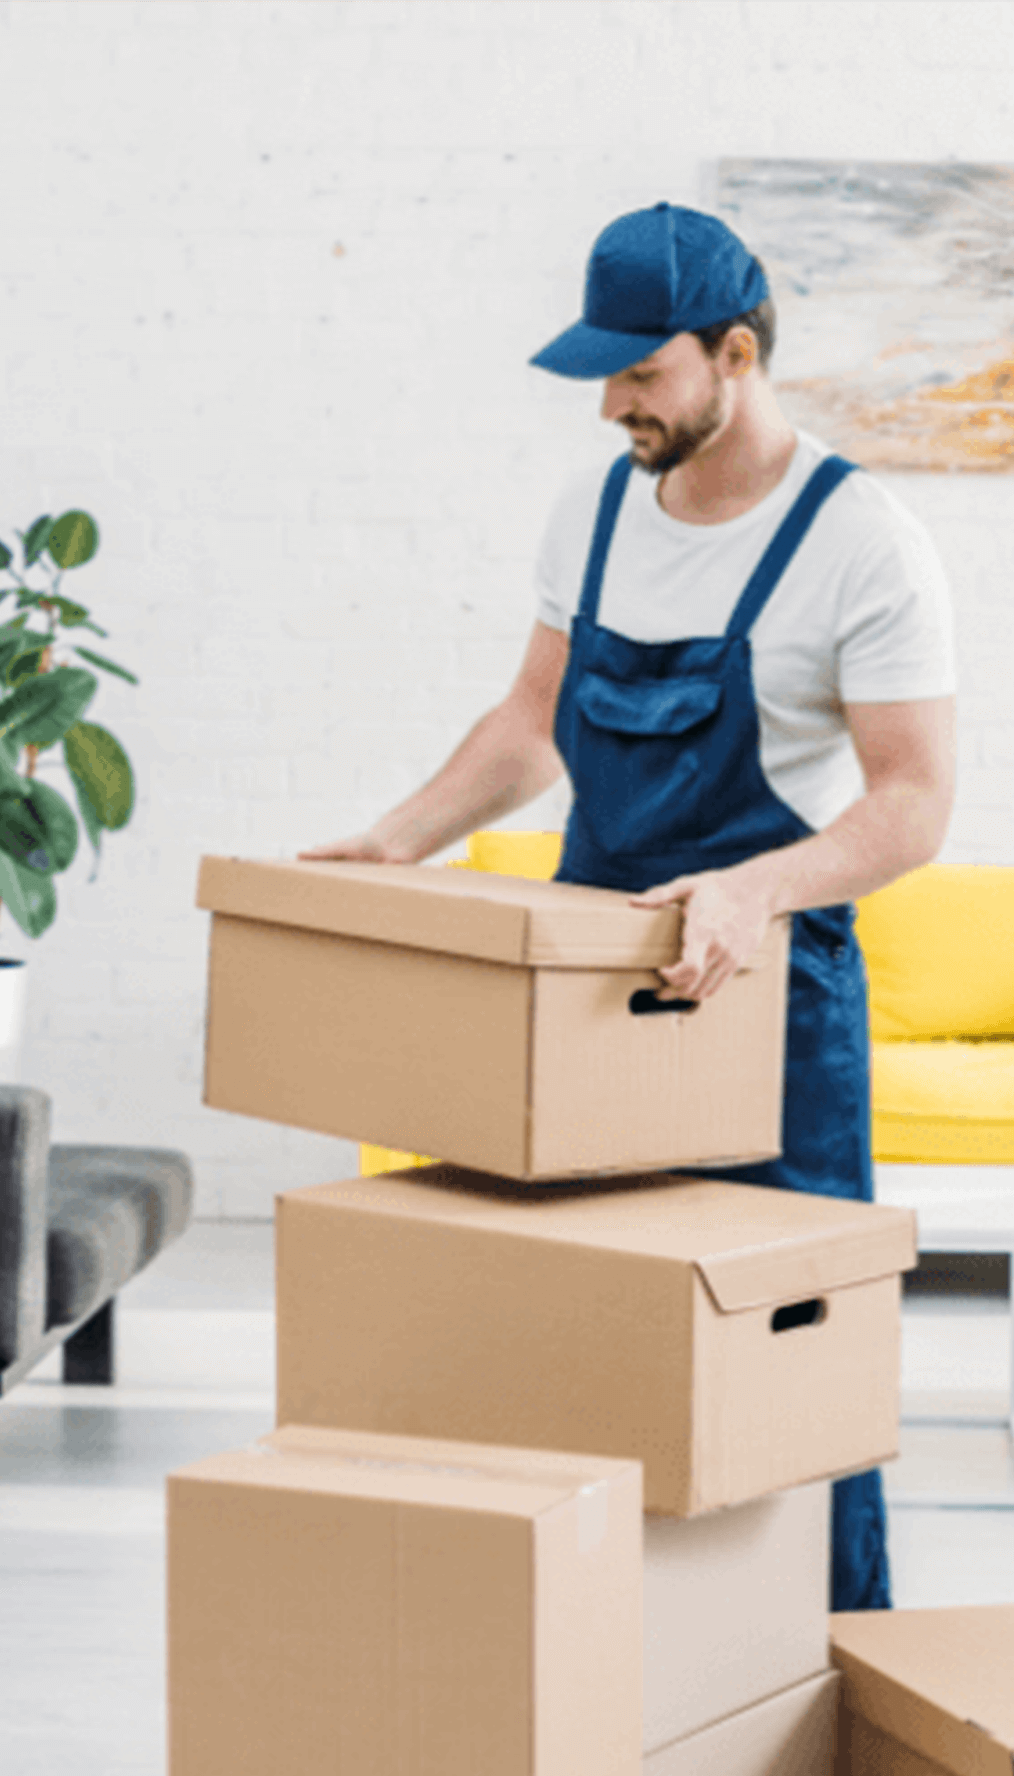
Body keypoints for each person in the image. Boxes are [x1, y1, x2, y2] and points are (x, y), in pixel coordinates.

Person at [306, 202, 957, 1612]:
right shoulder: (594, 509)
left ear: (735, 353)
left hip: (768, 1013)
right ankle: (620, 1661)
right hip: (592, 1008)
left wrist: (751, 889)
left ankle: (829, 1675)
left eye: (640, 375)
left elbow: (912, 801)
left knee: (798, 1360)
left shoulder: (864, 541)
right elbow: (533, 720)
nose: (612, 405)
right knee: (585, 1341)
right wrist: (395, 838)